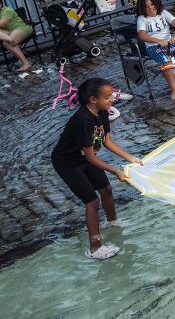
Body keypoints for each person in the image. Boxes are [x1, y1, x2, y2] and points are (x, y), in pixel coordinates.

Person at [51, 78, 142, 260]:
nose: (112, 100)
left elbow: (107, 141)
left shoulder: (102, 113)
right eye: (108, 97)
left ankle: (112, 221)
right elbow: (91, 156)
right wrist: (115, 170)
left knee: (106, 189)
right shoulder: (83, 120)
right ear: (93, 99)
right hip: (67, 162)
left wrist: (131, 157)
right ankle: (94, 247)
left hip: (84, 157)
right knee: (92, 202)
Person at [135, 0, 175, 100]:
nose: (150, 8)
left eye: (151, 4)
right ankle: (174, 89)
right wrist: (158, 41)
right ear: (142, 8)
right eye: (146, 6)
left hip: (170, 42)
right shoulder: (142, 18)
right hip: (153, 46)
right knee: (166, 62)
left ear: (156, 4)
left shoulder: (163, 13)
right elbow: (142, 35)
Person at [0, 0, 34, 72]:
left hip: (21, 28)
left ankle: (26, 63)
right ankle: (22, 61)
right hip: (9, 33)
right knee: (6, 42)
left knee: (8, 43)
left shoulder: (6, 10)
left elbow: (2, 24)